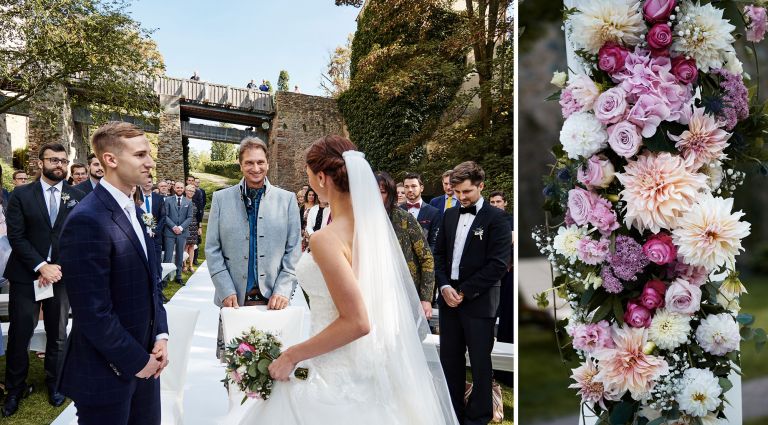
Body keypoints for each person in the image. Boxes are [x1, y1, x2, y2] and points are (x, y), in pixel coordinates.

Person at [226, 135, 458, 424]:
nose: (309, 182)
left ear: (322, 177)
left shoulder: (327, 239)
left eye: (309, 175)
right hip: (370, 362)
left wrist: (291, 355)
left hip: (335, 368)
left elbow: (357, 321)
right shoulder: (373, 230)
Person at [58, 121, 168, 425]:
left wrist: (160, 333)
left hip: (147, 364)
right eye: (141, 155)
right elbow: (93, 312)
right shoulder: (87, 219)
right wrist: (137, 361)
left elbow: (152, 282)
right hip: (107, 372)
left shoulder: (134, 208)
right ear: (110, 159)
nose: (150, 162)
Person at [3, 142, 86, 416]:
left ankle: (56, 383)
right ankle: (15, 389)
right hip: (26, 275)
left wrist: (57, 268)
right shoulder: (21, 195)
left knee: (58, 333)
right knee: (19, 334)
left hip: (62, 275)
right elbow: (16, 236)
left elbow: (79, 237)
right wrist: (41, 266)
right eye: (53, 160)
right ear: (40, 163)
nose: (59, 165)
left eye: (63, 160)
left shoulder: (77, 197)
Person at [434, 161, 511, 425]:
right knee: (450, 361)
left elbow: (498, 264)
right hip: (448, 301)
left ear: (481, 186)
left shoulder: (497, 218)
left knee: (479, 363)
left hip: (479, 302)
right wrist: (444, 287)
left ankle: (478, 416)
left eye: (466, 191)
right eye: (456, 192)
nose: (461, 197)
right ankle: (453, 413)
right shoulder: (449, 216)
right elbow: (439, 255)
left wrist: (465, 292)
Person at [206, 136, 301, 309]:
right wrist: (225, 289)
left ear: (267, 164)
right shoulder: (220, 199)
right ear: (240, 165)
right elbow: (212, 249)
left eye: (260, 162)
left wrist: (283, 289)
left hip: (274, 299)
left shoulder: (287, 200)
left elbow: (294, 249)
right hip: (233, 300)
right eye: (249, 163)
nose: (256, 168)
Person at [376, 171, 435, 319]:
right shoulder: (361, 220)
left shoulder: (405, 219)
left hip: (405, 293)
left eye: (382, 192)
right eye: (372, 192)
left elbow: (426, 258)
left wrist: (425, 298)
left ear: (390, 194)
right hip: (374, 291)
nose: (376, 197)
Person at [401, 172, 441, 251]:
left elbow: (434, 243)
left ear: (421, 188)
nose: (410, 190)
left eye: (413, 186)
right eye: (406, 187)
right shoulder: (397, 211)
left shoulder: (433, 212)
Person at [163, 182, 193, 285]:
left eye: (181, 187)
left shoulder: (188, 202)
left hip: (182, 232)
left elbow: (189, 217)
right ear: (174, 188)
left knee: (180, 255)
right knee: (168, 254)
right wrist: (174, 227)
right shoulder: (168, 200)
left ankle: (178, 276)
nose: (179, 189)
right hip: (169, 232)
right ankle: (165, 278)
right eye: (178, 187)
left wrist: (180, 228)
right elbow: (165, 216)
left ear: (184, 189)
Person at [140, 174, 167, 278]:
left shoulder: (159, 198)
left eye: (149, 182)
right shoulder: (136, 197)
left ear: (152, 183)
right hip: (141, 235)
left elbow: (163, 217)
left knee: (156, 264)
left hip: (155, 237)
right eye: (145, 181)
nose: (147, 184)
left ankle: (158, 288)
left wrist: (154, 231)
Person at [183, 184, 200, 273]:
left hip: (194, 225)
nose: (190, 192)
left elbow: (198, 216)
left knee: (192, 246)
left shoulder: (195, 202)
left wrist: (199, 227)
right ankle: (184, 265)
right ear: (185, 191)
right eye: (189, 190)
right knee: (185, 246)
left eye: (192, 191)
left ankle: (191, 265)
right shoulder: (181, 201)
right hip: (185, 225)